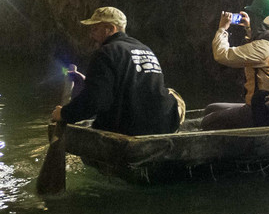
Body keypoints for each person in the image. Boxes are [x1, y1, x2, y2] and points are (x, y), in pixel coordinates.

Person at [52, 7, 180, 135]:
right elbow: (135, 86)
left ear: (111, 29)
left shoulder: (105, 52)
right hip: (165, 124)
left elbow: (94, 101)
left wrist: (64, 113)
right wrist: (90, 81)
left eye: (95, 29)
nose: (91, 35)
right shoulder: (144, 48)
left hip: (130, 129)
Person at [200, 0, 269, 130]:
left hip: (260, 111)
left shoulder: (264, 47)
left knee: (208, 121)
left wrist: (222, 29)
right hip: (260, 104)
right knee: (211, 108)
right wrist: (249, 28)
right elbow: (257, 48)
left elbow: (222, 55)